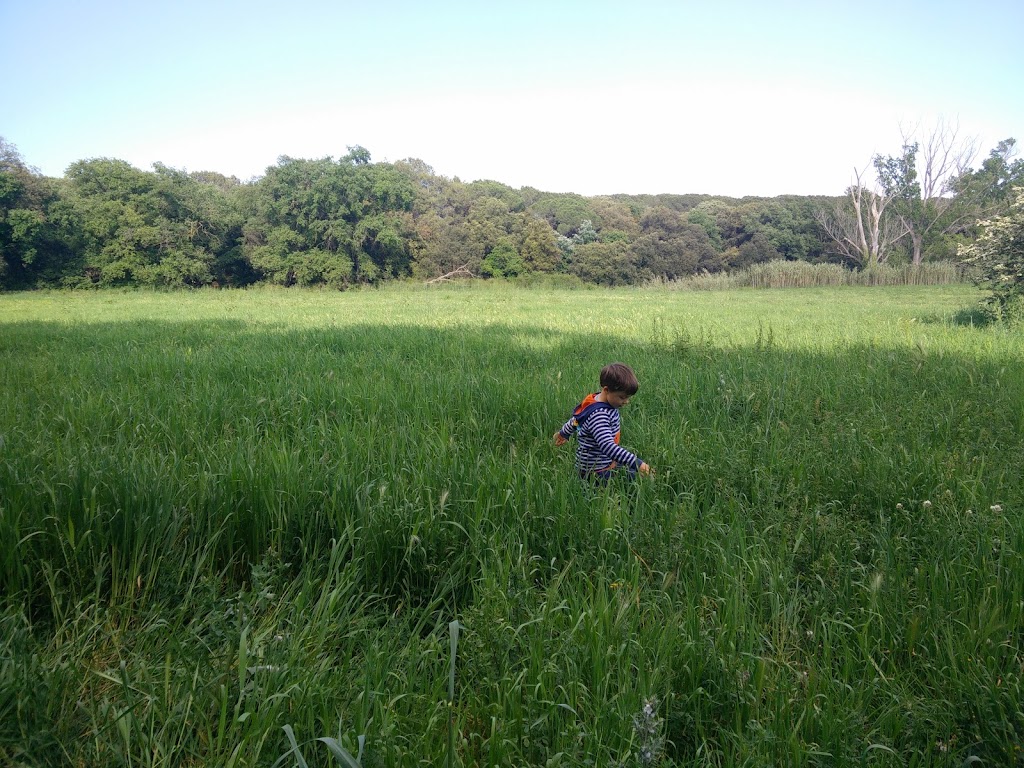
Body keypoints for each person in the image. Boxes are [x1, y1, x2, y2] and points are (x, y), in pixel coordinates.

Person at [553, 362, 652, 482]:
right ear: (606, 390)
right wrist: (638, 463)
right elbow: (608, 447)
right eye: (622, 397)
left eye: (628, 397)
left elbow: (577, 420)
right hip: (595, 470)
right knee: (635, 478)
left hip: (599, 462)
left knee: (632, 471)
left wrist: (564, 433)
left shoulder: (594, 401)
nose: (626, 402)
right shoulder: (600, 415)